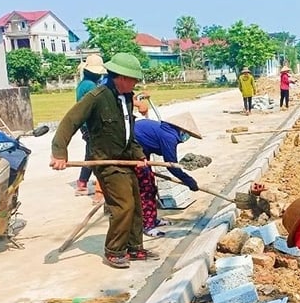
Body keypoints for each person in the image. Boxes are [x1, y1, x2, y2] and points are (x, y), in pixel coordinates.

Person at [50, 52, 159, 269]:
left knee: (136, 205)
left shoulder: (126, 98)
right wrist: (59, 153)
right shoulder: (97, 97)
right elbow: (69, 121)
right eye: (133, 79)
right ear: (120, 77)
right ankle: (114, 250)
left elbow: (129, 131)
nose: (136, 83)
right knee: (123, 206)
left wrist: (138, 155)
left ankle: (134, 247)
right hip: (106, 162)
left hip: (126, 159)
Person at [133, 107, 202, 237]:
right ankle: (148, 226)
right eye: (187, 134)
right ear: (181, 130)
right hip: (134, 152)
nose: (187, 137)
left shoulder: (167, 131)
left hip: (143, 151)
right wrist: (189, 181)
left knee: (151, 188)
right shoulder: (169, 137)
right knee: (146, 190)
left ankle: (152, 219)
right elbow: (171, 165)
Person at [75, 54, 107, 194]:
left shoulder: (82, 84)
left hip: (85, 124)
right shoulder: (92, 86)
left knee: (90, 153)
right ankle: (88, 184)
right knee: (94, 154)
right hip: (91, 125)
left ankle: (83, 181)